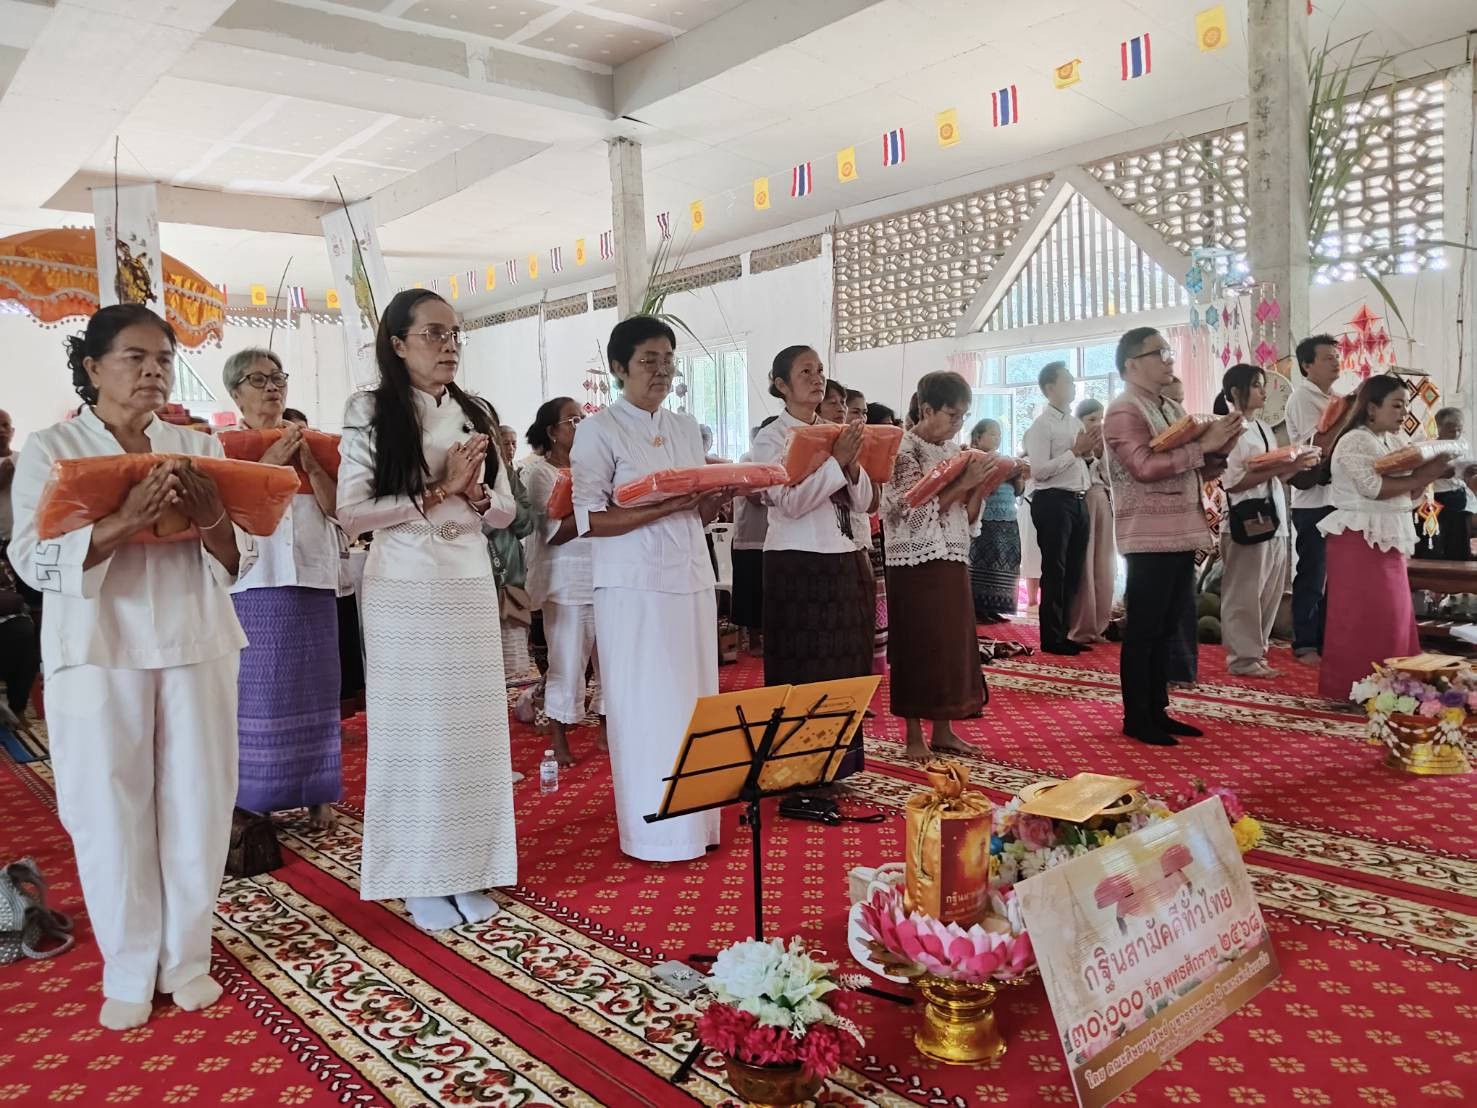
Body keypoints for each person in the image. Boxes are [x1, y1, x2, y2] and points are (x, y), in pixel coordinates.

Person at [9, 304, 256, 1029]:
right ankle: (127, 963)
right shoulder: (52, 448)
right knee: (107, 809)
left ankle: (186, 958)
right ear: (91, 368)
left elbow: (243, 552)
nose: (152, 371)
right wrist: (124, 519)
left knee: (199, 801)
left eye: (162, 358)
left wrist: (210, 513)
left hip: (197, 640)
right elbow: (29, 558)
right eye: (134, 358)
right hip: (96, 649)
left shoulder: (197, 442)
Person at [337, 289, 519, 932]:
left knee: (472, 734)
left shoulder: (475, 412)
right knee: (417, 732)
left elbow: (507, 511)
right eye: (434, 334)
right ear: (397, 343)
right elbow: (352, 513)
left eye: (454, 335)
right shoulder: (370, 410)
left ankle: (469, 867)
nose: (449, 346)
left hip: (467, 580)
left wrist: (474, 497)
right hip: (405, 586)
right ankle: (418, 874)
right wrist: (439, 487)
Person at [570, 315, 730, 861]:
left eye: (668, 360)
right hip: (633, 585)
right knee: (648, 705)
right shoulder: (599, 430)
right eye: (647, 361)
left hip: (689, 575)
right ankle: (653, 833)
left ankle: (699, 825)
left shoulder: (685, 426)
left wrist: (714, 496)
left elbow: (695, 510)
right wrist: (664, 507)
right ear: (619, 369)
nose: (661, 371)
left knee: (695, 700)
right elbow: (592, 518)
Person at [1103, 327, 1243, 746]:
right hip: (1147, 533)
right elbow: (1143, 466)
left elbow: (1181, 465)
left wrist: (1216, 454)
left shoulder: (1165, 405)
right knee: (1145, 626)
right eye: (1158, 352)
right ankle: (1136, 715)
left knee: (1167, 626)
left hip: (1179, 529)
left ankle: (1158, 708)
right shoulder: (1125, 410)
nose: (1168, 359)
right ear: (1131, 363)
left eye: (1167, 351)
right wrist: (1203, 450)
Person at [223, 348, 343, 830]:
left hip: (312, 577)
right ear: (235, 393)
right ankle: (252, 797)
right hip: (253, 583)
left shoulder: (317, 442)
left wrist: (311, 466)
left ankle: (317, 792)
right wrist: (272, 462)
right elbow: (228, 511)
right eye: (258, 379)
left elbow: (340, 512)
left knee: (315, 692)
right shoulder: (224, 446)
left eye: (278, 378)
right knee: (255, 694)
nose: (272, 387)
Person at [751, 347, 876, 779]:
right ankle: (795, 770)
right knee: (802, 666)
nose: (817, 377)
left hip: (845, 558)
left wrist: (853, 464)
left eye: (820, 370)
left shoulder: (837, 430)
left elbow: (863, 503)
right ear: (781, 384)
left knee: (845, 666)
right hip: (796, 563)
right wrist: (838, 462)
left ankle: (840, 767)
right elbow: (790, 503)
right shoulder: (770, 439)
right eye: (805, 371)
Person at [1318, 377, 1452, 700]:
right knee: (1365, 617)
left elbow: (1410, 490)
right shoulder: (1354, 441)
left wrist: (1428, 474)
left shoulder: (1392, 441)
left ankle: (1395, 690)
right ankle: (1358, 689)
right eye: (1396, 404)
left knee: (1395, 616)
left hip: (1386, 536)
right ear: (1371, 407)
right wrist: (1424, 475)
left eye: (1406, 404)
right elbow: (1373, 488)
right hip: (1358, 539)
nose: (1404, 410)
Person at [883, 372, 988, 760]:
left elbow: (967, 513)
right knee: (917, 644)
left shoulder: (952, 452)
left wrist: (979, 484)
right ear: (926, 410)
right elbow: (912, 511)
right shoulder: (903, 449)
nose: (958, 423)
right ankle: (914, 736)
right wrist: (964, 485)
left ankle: (944, 728)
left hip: (952, 554)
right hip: (913, 560)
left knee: (950, 644)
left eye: (964, 416)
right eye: (951, 414)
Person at [522, 397, 601, 766]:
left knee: (610, 661)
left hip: (604, 572)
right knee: (567, 661)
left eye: (583, 418)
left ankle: (605, 729)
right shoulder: (538, 473)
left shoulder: (592, 466)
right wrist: (594, 510)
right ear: (552, 432)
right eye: (572, 420)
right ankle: (559, 739)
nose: (580, 425)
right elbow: (553, 533)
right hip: (565, 579)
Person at [1214, 364, 1298, 678]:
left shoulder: (1261, 428)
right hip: (1245, 518)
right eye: (1258, 385)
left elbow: (1273, 473)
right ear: (1236, 392)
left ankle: (1257, 651)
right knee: (1245, 592)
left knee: (1269, 591)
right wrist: (1277, 468)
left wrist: (1296, 464)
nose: (1264, 391)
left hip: (1273, 517)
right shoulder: (1228, 428)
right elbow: (1233, 481)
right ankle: (1242, 658)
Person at [1023, 361, 1096, 654]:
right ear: (1050, 388)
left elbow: (1082, 461)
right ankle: (1051, 638)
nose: (1073, 384)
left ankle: (1065, 632)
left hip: (1078, 499)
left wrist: (1088, 454)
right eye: (1067, 380)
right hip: (1053, 501)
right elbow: (1039, 471)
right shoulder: (1042, 426)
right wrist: (1074, 452)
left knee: (1074, 569)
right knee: (1055, 570)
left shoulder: (1074, 422)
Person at [1284, 335, 1341, 664]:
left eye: (1336, 356)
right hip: (1312, 502)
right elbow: (1317, 443)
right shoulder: (1303, 398)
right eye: (1327, 357)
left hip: (1336, 499)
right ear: (1307, 365)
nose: (1336, 361)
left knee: (1334, 575)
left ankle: (1325, 638)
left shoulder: (1334, 398)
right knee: (1312, 573)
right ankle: (1304, 642)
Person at [968, 418, 1024, 623]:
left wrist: (1017, 477)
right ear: (978, 438)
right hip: (986, 517)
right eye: (992, 433)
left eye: (999, 434)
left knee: (1005, 562)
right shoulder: (975, 459)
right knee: (985, 562)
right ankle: (979, 609)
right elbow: (981, 490)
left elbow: (1019, 491)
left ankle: (996, 606)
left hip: (1008, 517)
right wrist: (1003, 475)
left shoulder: (1006, 459)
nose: (997, 437)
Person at [1069, 398, 1116, 643]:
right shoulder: (1073, 441)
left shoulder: (1106, 445)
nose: (1097, 425)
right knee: (1084, 565)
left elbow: (1111, 479)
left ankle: (1099, 625)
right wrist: (1087, 455)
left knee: (1104, 565)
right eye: (1091, 420)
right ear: (1080, 421)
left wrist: (1100, 455)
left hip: (1102, 501)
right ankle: (1080, 626)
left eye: (1100, 419)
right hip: (1081, 501)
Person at [731, 418, 776, 653]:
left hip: (772, 537)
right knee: (751, 589)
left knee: (770, 590)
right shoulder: (747, 461)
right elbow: (754, 497)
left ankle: (769, 635)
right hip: (751, 537)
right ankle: (754, 638)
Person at [1416, 407, 1473, 561]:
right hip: (1430, 498)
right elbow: (1411, 474)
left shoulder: (1462, 444)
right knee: (1431, 542)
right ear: (1437, 427)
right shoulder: (1422, 444)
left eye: (1459, 430)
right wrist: (1438, 475)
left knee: (1458, 541)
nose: (1455, 435)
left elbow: (1466, 471)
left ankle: (1458, 580)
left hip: (1456, 496)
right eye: (1450, 431)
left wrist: (1468, 471)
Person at [865, 404, 895, 672]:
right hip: (865, 536)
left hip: (878, 532)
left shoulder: (885, 458)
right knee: (871, 602)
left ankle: (878, 663)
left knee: (881, 602)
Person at [0, 407, 13, 548]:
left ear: (12, 431)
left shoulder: (27, 458)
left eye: (5, 425)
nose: (2, 430)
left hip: (25, 539)